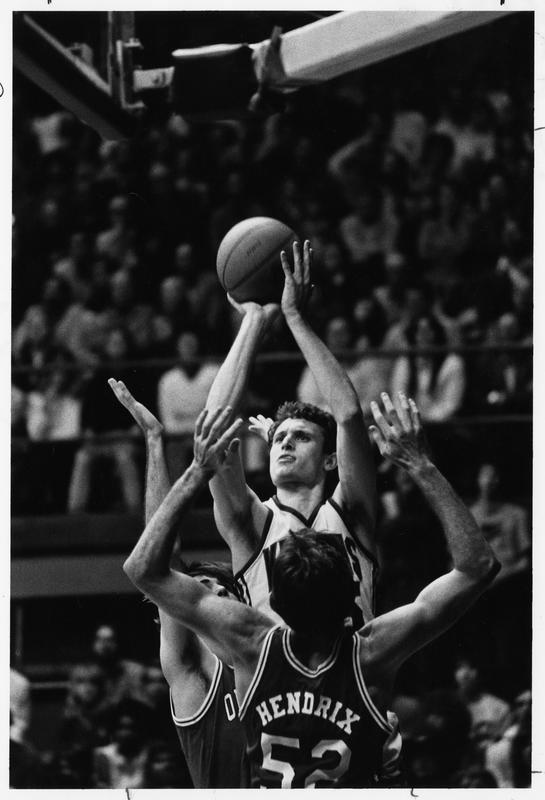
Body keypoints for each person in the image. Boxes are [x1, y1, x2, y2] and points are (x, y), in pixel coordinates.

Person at [123, 393, 500, 788]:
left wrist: (196, 470)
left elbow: (149, 567)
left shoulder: (252, 647)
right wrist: (420, 464)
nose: (217, 603)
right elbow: (477, 567)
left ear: (265, 602)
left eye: (221, 595)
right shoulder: (368, 654)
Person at [205, 240, 378, 628]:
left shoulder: (350, 510)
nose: (285, 442)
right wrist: (253, 322)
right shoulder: (252, 522)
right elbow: (213, 431)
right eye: (280, 437)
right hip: (276, 669)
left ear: (330, 459)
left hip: (351, 667)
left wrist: (294, 317)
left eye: (302, 436)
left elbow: (349, 415)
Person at [108, 378, 249, 789]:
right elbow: (163, 559)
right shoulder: (195, 672)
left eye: (223, 589)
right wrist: (155, 440)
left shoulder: (268, 654)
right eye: (201, 591)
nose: (215, 594)